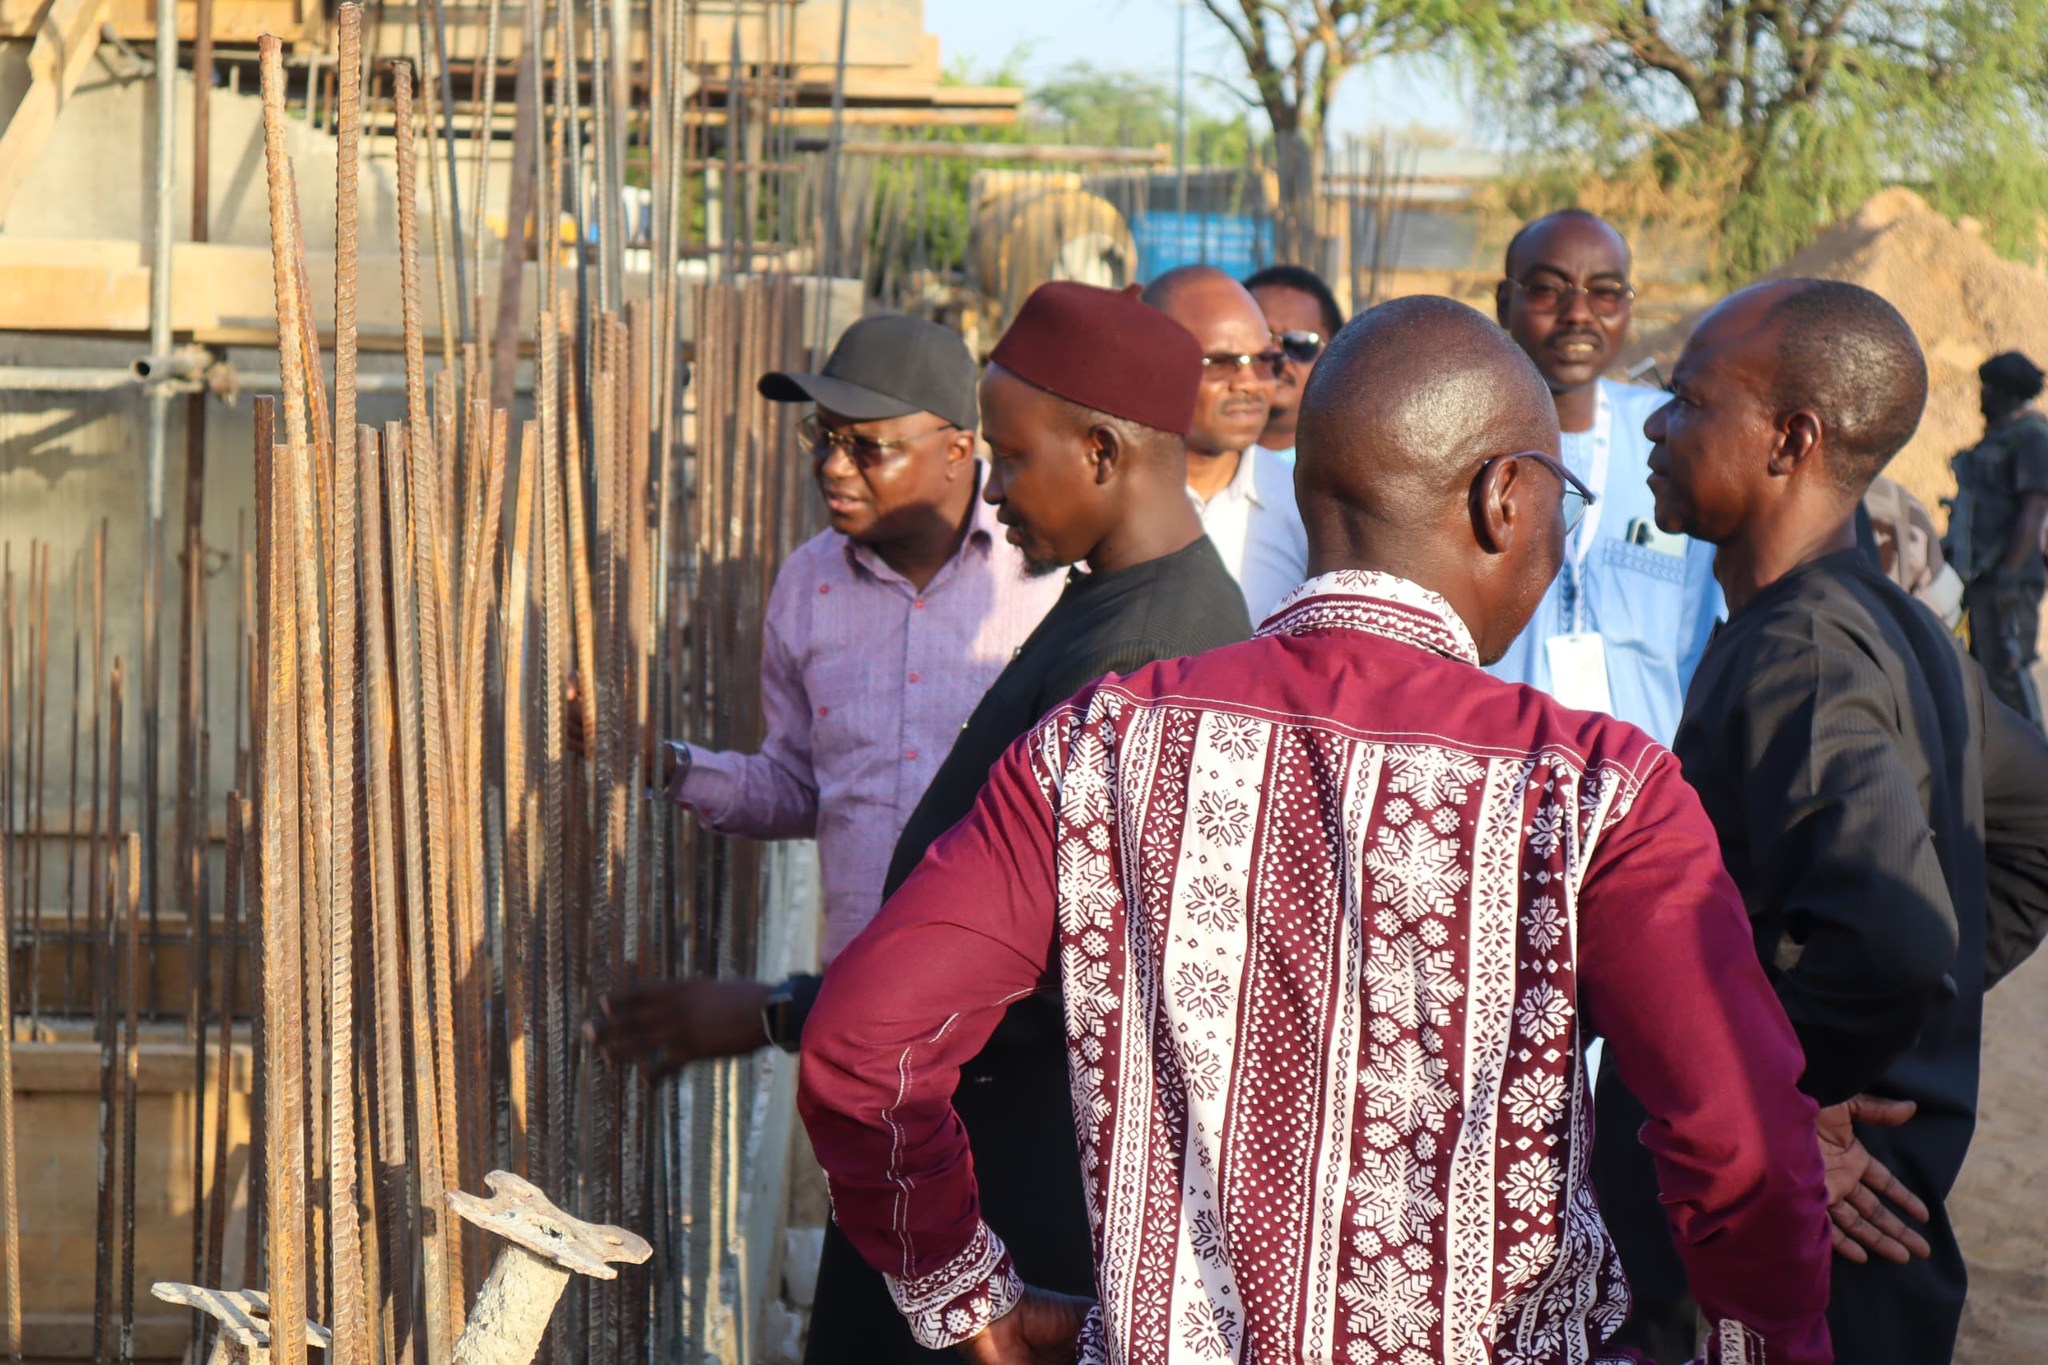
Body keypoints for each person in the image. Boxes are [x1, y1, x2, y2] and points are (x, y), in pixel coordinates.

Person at [799, 295, 1835, 1365]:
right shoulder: (1588, 792)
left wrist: (969, 1301)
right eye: (1560, 501)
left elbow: (861, 1049)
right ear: (1504, 500)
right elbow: (1741, 1154)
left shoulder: (1095, 748)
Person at [801, 281, 1253, 1365]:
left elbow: (1061, 968)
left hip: (1019, 1177)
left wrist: (815, 1017)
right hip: (966, 1131)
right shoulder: (1113, 596)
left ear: (1100, 452)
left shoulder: (1156, 652)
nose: (993, 495)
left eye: (1010, 458)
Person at [1598, 278, 2048, 1364]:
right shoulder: (1886, 620)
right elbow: (2029, 836)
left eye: (1686, 400)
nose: (1652, 425)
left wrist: (1778, 1091)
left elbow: (1888, 940)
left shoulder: (1797, 652)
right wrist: (1889, 1029)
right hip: (1853, 1234)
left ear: (1788, 439)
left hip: (1785, 1249)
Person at [583, 313, 1062, 1070]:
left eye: (867, 446)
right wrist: (668, 763)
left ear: (958, 451)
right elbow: (804, 786)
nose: (835, 468)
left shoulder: (1044, 577)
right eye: (824, 437)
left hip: (1012, 1022)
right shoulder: (810, 584)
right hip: (856, 1014)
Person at [1487, 209, 1721, 745]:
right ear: (1505, 302)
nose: (1578, 313)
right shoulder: (1459, 440)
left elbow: (1706, 627)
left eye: (1606, 292)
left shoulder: (1675, 439)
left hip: (1646, 783)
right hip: (1498, 781)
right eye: (1548, 289)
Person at [1141, 265, 1310, 624]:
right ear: (1151, 365)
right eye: (1220, 363)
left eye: (1264, 362)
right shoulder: (1103, 501)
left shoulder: (1303, 507)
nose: (1249, 384)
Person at [1944, 349, 2048, 726]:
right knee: (1982, 672)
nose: (1981, 395)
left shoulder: (2031, 436)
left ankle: (2035, 770)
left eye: (1988, 387)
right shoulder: (1998, 437)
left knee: (2009, 672)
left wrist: (2010, 573)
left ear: (2005, 390)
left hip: (2009, 579)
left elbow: (2034, 509)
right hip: (1981, 575)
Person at [1243, 263, 1344, 464]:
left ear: (1335, 354)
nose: (1277, 355)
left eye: (1299, 343)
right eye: (1261, 339)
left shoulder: (1346, 470)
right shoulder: (1188, 464)